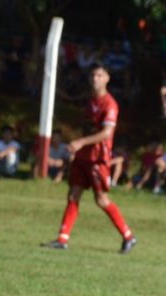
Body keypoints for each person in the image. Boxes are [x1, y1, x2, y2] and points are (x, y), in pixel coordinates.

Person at [42, 63, 137, 254]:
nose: (95, 78)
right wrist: (78, 147)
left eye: (100, 75)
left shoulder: (109, 104)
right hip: (83, 156)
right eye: (93, 75)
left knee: (101, 199)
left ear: (107, 78)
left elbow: (106, 133)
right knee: (73, 194)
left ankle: (128, 236)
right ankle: (62, 238)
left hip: (97, 158)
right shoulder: (90, 101)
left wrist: (80, 142)